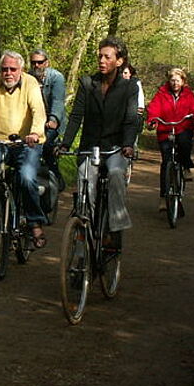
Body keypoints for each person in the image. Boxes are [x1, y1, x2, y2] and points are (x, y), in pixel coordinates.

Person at [59, 36, 140, 249]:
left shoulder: (129, 87)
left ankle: (114, 229)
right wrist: (65, 144)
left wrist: (128, 144)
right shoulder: (87, 84)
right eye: (100, 56)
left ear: (119, 61)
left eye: (107, 57)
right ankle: (85, 225)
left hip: (115, 149)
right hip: (90, 147)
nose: (102, 60)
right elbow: (76, 116)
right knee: (85, 179)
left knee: (115, 174)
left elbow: (131, 119)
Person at [0, 51, 48, 247]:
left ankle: (34, 221)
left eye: (13, 69)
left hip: (27, 143)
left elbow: (38, 110)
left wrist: (36, 133)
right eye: (5, 69)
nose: (8, 73)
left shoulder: (30, 83)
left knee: (27, 177)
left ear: (21, 70)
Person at [146, 67, 194, 210]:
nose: (175, 83)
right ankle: (163, 197)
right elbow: (154, 108)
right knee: (166, 163)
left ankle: (186, 167)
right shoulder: (162, 94)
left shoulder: (188, 95)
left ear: (183, 81)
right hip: (166, 130)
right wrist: (152, 120)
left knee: (184, 143)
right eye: (172, 80)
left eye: (177, 80)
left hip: (183, 127)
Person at [29, 49, 66, 185]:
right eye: (34, 62)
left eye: (40, 62)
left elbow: (58, 100)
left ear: (46, 63)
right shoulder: (27, 78)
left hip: (51, 121)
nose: (36, 65)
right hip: (34, 122)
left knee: (45, 145)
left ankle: (55, 176)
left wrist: (53, 119)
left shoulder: (57, 78)